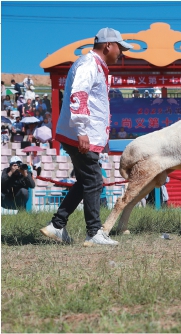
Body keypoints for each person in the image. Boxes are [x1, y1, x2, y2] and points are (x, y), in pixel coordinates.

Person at [39, 27, 132, 246]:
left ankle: (57, 225)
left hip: (85, 135)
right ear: (108, 45)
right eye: (120, 47)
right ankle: (93, 232)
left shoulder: (96, 66)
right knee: (94, 181)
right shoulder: (89, 64)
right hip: (82, 135)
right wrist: (81, 130)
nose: (121, 53)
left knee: (85, 181)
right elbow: (79, 93)